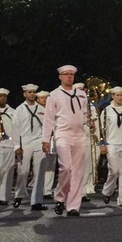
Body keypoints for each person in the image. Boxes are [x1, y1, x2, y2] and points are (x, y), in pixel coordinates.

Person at [42, 65, 89, 216]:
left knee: (78, 172)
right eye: (66, 74)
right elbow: (48, 119)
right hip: (62, 134)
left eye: (71, 74)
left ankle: (73, 206)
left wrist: (89, 122)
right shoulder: (54, 95)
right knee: (66, 168)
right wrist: (45, 139)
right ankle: (60, 197)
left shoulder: (81, 94)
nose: (69, 77)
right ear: (60, 77)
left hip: (79, 135)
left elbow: (85, 114)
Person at [12, 84, 48, 210]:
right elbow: (15, 129)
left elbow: (47, 127)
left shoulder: (42, 109)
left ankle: (36, 201)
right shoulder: (19, 109)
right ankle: (19, 194)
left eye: (34, 92)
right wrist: (16, 145)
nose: (32, 94)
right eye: (29, 92)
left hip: (39, 142)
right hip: (25, 142)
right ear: (25, 94)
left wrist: (46, 142)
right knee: (23, 171)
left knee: (39, 172)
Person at [100, 86, 122, 207]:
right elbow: (102, 130)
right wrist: (102, 144)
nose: (120, 97)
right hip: (112, 143)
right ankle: (107, 191)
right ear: (113, 96)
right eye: (118, 95)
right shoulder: (107, 110)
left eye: (121, 95)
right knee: (114, 170)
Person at [0, 88, 16, 206]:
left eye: (4, 96)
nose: (2, 98)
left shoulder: (13, 111)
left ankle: (3, 197)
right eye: (0, 96)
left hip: (10, 143)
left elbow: (17, 128)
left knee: (8, 171)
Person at [36, 90, 56, 198]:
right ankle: (39, 188)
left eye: (46, 97)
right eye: (42, 98)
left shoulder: (53, 109)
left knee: (51, 165)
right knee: (40, 164)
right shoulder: (34, 109)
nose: (44, 99)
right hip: (38, 139)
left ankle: (47, 190)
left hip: (52, 139)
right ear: (38, 100)